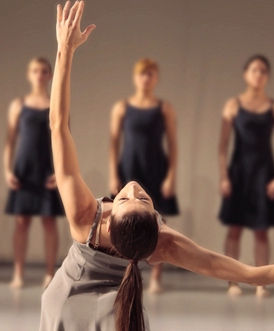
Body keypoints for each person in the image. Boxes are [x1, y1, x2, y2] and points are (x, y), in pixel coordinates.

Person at [41, 2, 274, 331]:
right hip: (66, 302)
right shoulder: (163, 243)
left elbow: (58, 126)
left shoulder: (89, 218)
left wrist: (64, 52)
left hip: (105, 305)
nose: (134, 191)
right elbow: (250, 275)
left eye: (131, 199)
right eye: (138, 200)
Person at [218, 54, 274, 297]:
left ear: (267, 76)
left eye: (263, 71)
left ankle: (261, 283)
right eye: (254, 70)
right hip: (239, 172)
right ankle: (232, 281)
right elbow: (222, 146)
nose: (258, 74)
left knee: (261, 230)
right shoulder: (233, 105)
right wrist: (224, 177)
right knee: (235, 228)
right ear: (245, 74)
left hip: (264, 174)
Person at [109, 57, 179, 294]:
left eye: (150, 74)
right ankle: (123, 271)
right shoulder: (122, 107)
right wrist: (112, 174)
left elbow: (173, 144)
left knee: (158, 220)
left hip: (156, 168)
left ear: (156, 78)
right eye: (142, 74)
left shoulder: (165, 108)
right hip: (129, 167)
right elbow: (113, 144)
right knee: (122, 219)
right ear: (135, 77)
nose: (146, 79)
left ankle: (156, 277)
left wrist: (171, 176)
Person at [4, 57, 64, 289]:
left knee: (49, 222)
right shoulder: (18, 105)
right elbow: (10, 141)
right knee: (22, 222)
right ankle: (18, 273)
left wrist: (60, 172)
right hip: (23, 169)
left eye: (43, 71)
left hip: (47, 169)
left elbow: (64, 140)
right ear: (29, 74)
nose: (39, 75)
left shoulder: (57, 104)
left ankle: (50, 273)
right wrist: (8, 170)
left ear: (49, 75)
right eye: (35, 71)